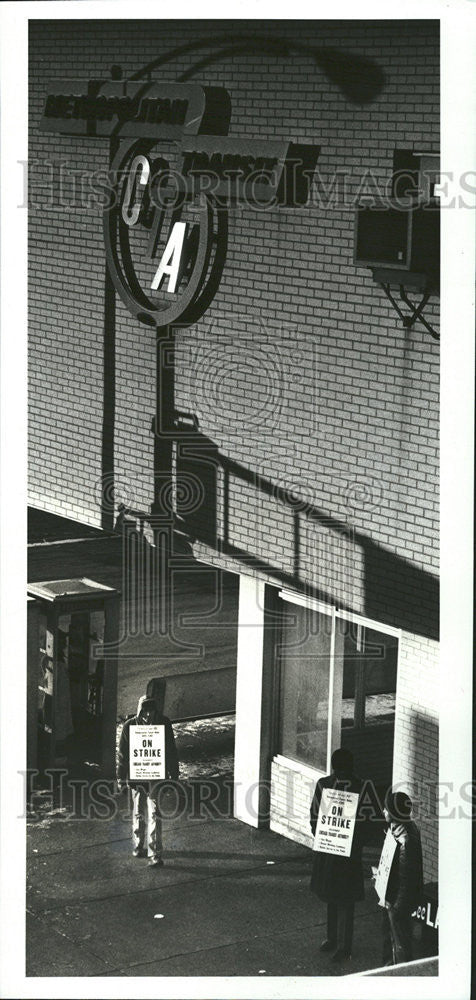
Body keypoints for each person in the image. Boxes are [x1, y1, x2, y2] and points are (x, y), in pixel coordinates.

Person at [310, 747, 366, 961]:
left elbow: (315, 815)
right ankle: (337, 941)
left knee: (339, 898)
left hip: (337, 853)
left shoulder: (326, 785)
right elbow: (315, 814)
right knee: (336, 898)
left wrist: (323, 836)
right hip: (341, 853)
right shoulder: (358, 787)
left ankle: (341, 944)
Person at [117, 695, 179, 867]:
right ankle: (138, 844)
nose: (147, 717)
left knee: (155, 813)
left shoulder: (164, 724)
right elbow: (122, 754)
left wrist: (174, 776)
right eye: (144, 713)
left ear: (155, 711)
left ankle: (155, 852)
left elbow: (171, 751)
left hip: (156, 776)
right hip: (137, 776)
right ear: (139, 712)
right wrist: (121, 778)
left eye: (150, 712)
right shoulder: (129, 726)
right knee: (138, 810)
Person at [379, 790, 423, 965]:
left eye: (386, 809)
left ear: (394, 814)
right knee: (391, 939)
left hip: (397, 902)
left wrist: (397, 908)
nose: (383, 812)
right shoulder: (398, 829)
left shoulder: (405, 840)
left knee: (399, 943)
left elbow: (406, 879)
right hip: (391, 896)